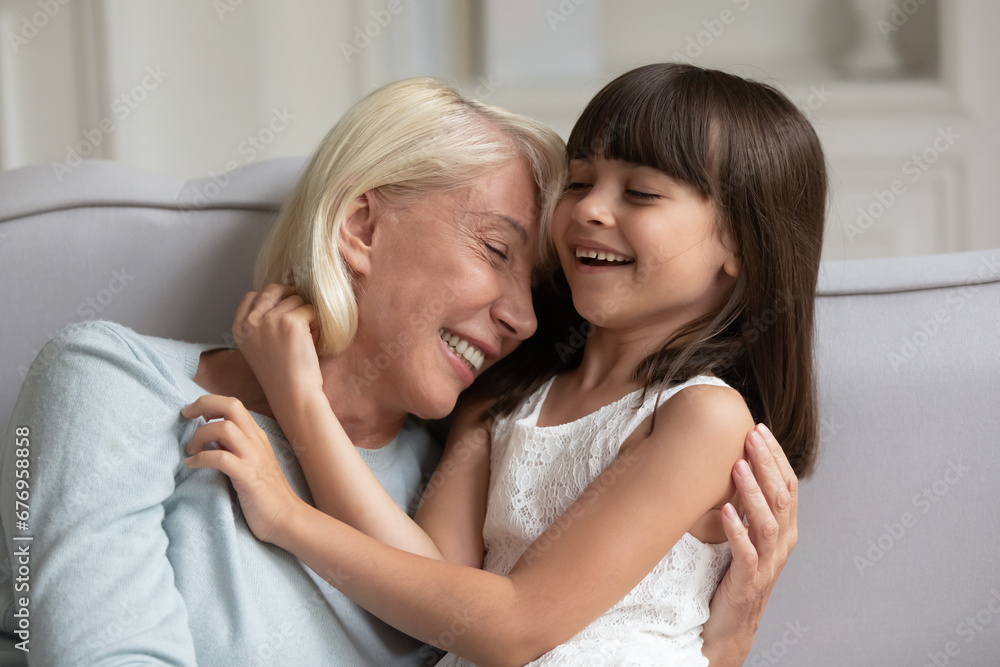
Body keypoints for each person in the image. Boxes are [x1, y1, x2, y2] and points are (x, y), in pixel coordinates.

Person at [0, 77, 795, 666]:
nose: (524, 317)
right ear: (360, 225)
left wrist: (719, 647)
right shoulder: (111, 379)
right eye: (495, 250)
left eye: (540, 286)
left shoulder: (452, 465)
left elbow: (511, 617)